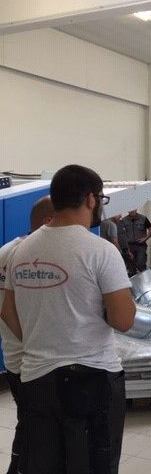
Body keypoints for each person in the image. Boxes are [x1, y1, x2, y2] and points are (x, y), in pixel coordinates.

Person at [1, 164, 136, 473]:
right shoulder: (100, 251)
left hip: (36, 378)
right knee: (95, 464)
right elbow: (123, 320)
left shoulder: (21, 251)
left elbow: (7, 311)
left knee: (45, 463)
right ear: (90, 198)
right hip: (93, 378)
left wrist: (41, 339)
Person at [0, 196, 55, 474]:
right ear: (48, 221)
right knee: (35, 429)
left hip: (14, 357)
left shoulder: (7, 250)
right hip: (31, 360)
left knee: (29, 423)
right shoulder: (31, 256)